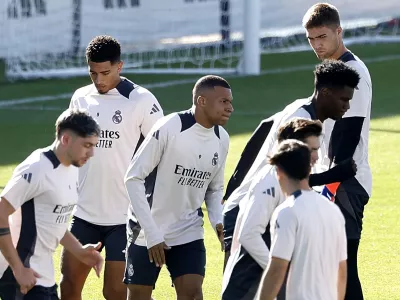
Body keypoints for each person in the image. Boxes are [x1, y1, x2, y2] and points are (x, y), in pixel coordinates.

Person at [222, 59, 360, 268]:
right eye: (343, 99)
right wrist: (334, 175)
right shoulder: (299, 120)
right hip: (250, 211)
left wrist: (235, 182)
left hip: (259, 209)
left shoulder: (300, 108)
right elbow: (287, 176)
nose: (347, 106)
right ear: (325, 92)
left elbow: (263, 127)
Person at [60, 35, 163, 300]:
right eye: (93, 73)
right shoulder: (81, 98)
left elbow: (164, 151)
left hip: (124, 218)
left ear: (120, 66)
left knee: (115, 292)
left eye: (105, 72)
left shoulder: (141, 100)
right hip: (83, 212)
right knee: (69, 286)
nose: (99, 80)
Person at [123, 75, 233, 300]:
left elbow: (214, 189)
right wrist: (152, 234)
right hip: (147, 230)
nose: (230, 107)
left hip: (187, 230)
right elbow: (133, 178)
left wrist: (218, 221)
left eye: (230, 102)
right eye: (223, 101)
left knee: (193, 294)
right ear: (202, 101)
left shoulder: (222, 138)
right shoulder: (171, 126)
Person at [302, 4, 372, 299]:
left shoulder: (351, 70)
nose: (317, 44)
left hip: (344, 181)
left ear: (338, 32)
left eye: (322, 37)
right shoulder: (331, 70)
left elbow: (348, 134)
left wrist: (325, 185)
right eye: (311, 39)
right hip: (332, 178)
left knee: (342, 268)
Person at [0, 108, 103, 300]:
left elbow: (52, 221)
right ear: (65, 139)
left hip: (44, 275)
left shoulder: (72, 167)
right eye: (87, 145)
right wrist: (18, 269)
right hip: (21, 276)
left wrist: (79, 251)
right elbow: (0, 213)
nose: (92, 153)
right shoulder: (36, 169)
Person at [222, 118, 323, 300]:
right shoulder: (270, 180)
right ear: (294, 147)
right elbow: (249, 234)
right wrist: (279, 269)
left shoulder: (298, 179)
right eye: (312, 150)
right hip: (249, 282)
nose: (317, 156)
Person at [256, 140, 347, 300]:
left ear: (279, 172)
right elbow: (341, 270)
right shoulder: (333, 210)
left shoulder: (287, 211)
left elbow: (277, 268)